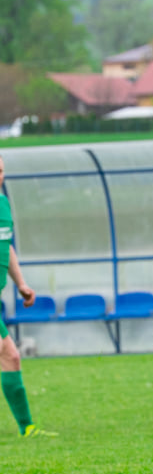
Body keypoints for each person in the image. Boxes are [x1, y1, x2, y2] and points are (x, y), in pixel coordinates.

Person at [0, 154, 56, 438]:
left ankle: (27, 428)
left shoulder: (3, 203)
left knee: (10, 356)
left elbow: (5, 245)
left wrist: (21, 282)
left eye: (0, 171)